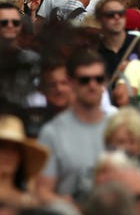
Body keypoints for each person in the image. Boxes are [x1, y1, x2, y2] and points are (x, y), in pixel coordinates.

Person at [37, 48, 108, 201]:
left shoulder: (117, 126)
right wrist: (70, 209)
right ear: (72, 83)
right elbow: (42, 191)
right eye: (84, 80)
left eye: (99, 79)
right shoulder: (52, 133)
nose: (92, 85)